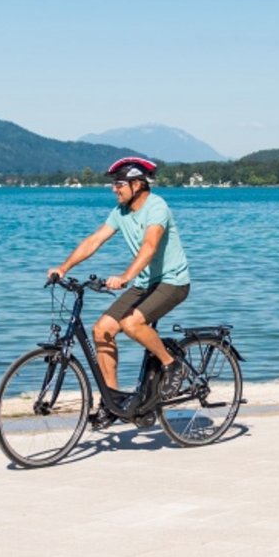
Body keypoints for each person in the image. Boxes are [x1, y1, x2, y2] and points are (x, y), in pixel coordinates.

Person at [47, 156, 192, 411]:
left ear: (137, 185)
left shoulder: (157, 207)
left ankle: (172, 365)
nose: (114, 189)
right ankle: (112, 402)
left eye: (119, 184)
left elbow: (149, 247)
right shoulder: (120, 212)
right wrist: (63, 267)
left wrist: (125, 276)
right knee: (101, 329)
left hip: (172, 282)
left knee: (131, 323)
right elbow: (94, 241)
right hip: (146, 283)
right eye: (114, 184)